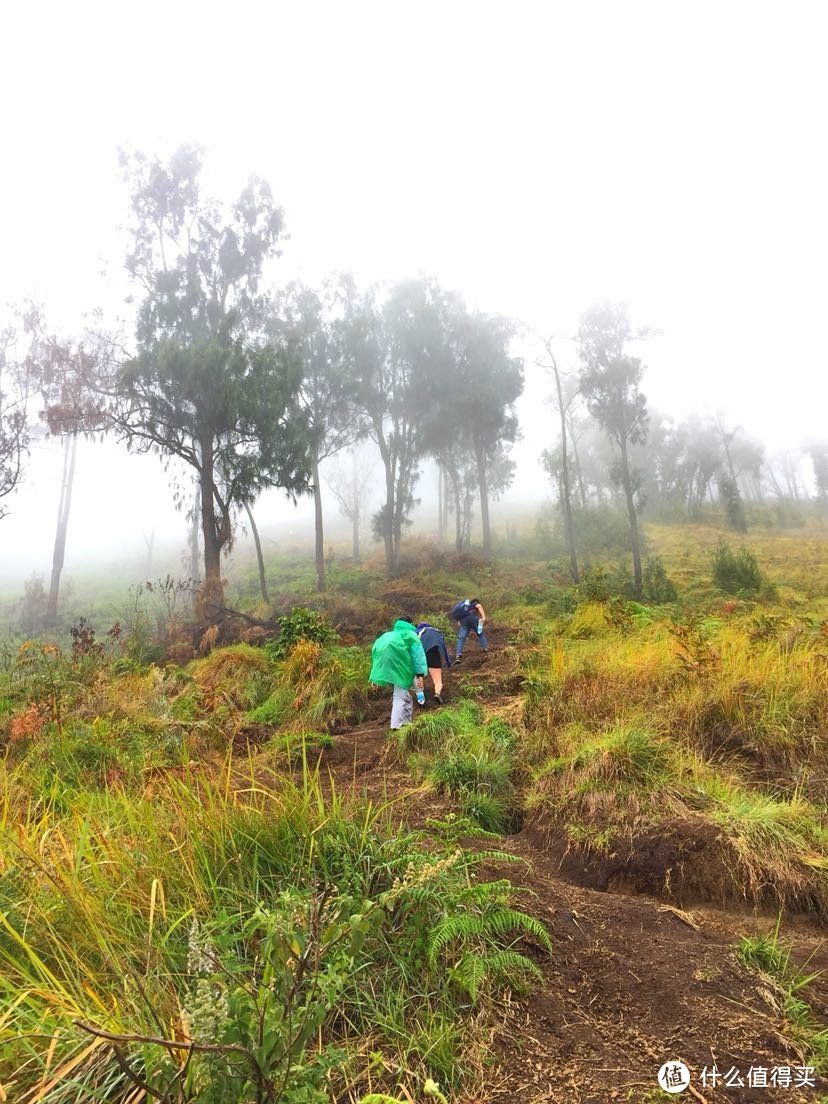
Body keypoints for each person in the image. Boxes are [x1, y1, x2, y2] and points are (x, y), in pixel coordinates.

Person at [369, 618, 428, 730]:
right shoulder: (410, 635)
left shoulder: (386, 636)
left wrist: (374, 677)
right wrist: (420, 674)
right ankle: (395, 726)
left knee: (405, 696)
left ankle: (406, 723)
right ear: (410, 624)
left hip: (384, 668)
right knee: (400, 696)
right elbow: (417, 656)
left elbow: (376, 655)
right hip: (399, 667)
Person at [416, 621, 453, 704]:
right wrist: (448, 661)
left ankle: (420, 699)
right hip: (434, 655)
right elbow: (443, 648)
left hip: (421, 657)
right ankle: (437, 693)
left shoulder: (417, 632)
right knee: (438, 681)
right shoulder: (436, 632)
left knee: (419, 680)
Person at [451, 597, 488, 661]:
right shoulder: (474, 603)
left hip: (463, 620)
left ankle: (458, 654)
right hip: (472, 618)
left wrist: (460, 621)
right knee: (480, 634)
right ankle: (485, 648)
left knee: (461, 638)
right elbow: (479, 606)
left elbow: (459, 622)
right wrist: (483, 617)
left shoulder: (464, 608)